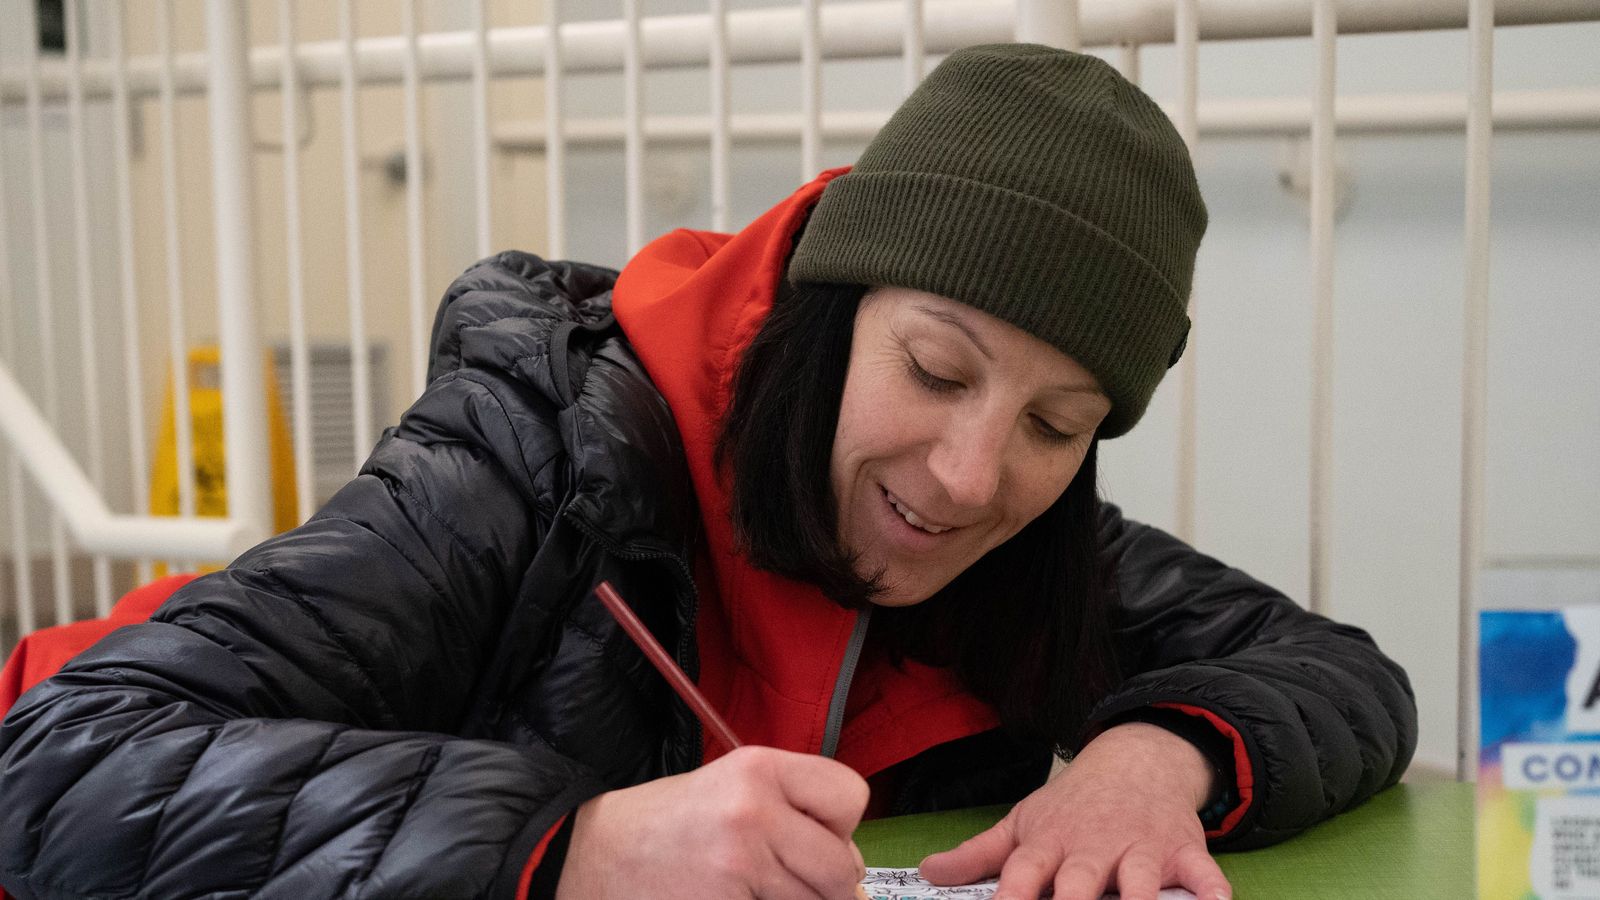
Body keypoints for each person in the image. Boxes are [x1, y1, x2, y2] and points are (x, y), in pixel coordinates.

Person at [0, 44, 1414, 900]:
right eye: (936, 370)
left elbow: (1339, 672)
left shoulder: (1020, 553)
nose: (971, 475)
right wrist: (568, 850)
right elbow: (59, 767)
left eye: (1057, 425)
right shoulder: (526, 452)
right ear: (826, 318)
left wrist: (1152, 760)